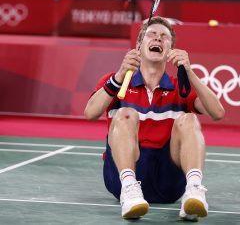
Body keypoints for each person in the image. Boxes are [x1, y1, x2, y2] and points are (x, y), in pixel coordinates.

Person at [84, 16, 225, 221]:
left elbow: (217, 112)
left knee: (190, 120)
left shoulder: (180, 87)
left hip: (168, 180)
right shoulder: (117, 82)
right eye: (152, 34)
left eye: (164, 37)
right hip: (123, 176)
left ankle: (194, 190)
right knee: (125, 114)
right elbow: (90, 113)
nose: (158, 39)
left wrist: (189, 71)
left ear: (170, 51)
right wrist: (120, 75)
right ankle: (130, 191)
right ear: (139, 46)